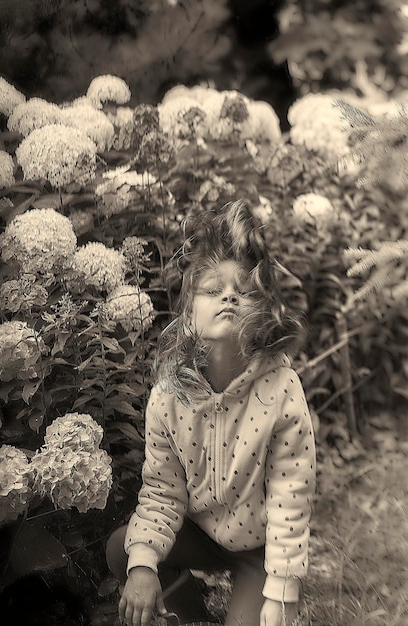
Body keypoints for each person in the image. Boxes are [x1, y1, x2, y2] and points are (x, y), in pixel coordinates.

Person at [106, 200, 316, 626]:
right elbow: (162, 491)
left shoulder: (280, 390)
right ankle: (185, 615)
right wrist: (144, 565)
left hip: (259, 547)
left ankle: (253, 594)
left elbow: (290, 497)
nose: (228, 297)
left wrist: (281, 592)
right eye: (212, 289)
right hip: (200, 533)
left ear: (263, 311)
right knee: (123, 550)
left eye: (243, 290)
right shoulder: (169, 395)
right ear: (188, 313)